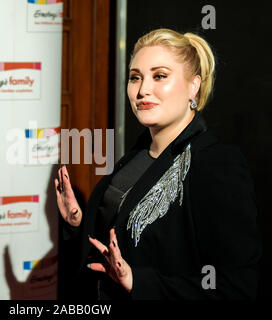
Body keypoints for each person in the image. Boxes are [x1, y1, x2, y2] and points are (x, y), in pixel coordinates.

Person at [54, 28, 262, 300]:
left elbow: (236, 287)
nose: (143, 90)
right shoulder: (136, 156)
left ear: (193, 86)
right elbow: (112, 250)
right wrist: (77, 223)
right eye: (135, 78)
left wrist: (139, 283)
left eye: (160, 76)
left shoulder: (215, 163)